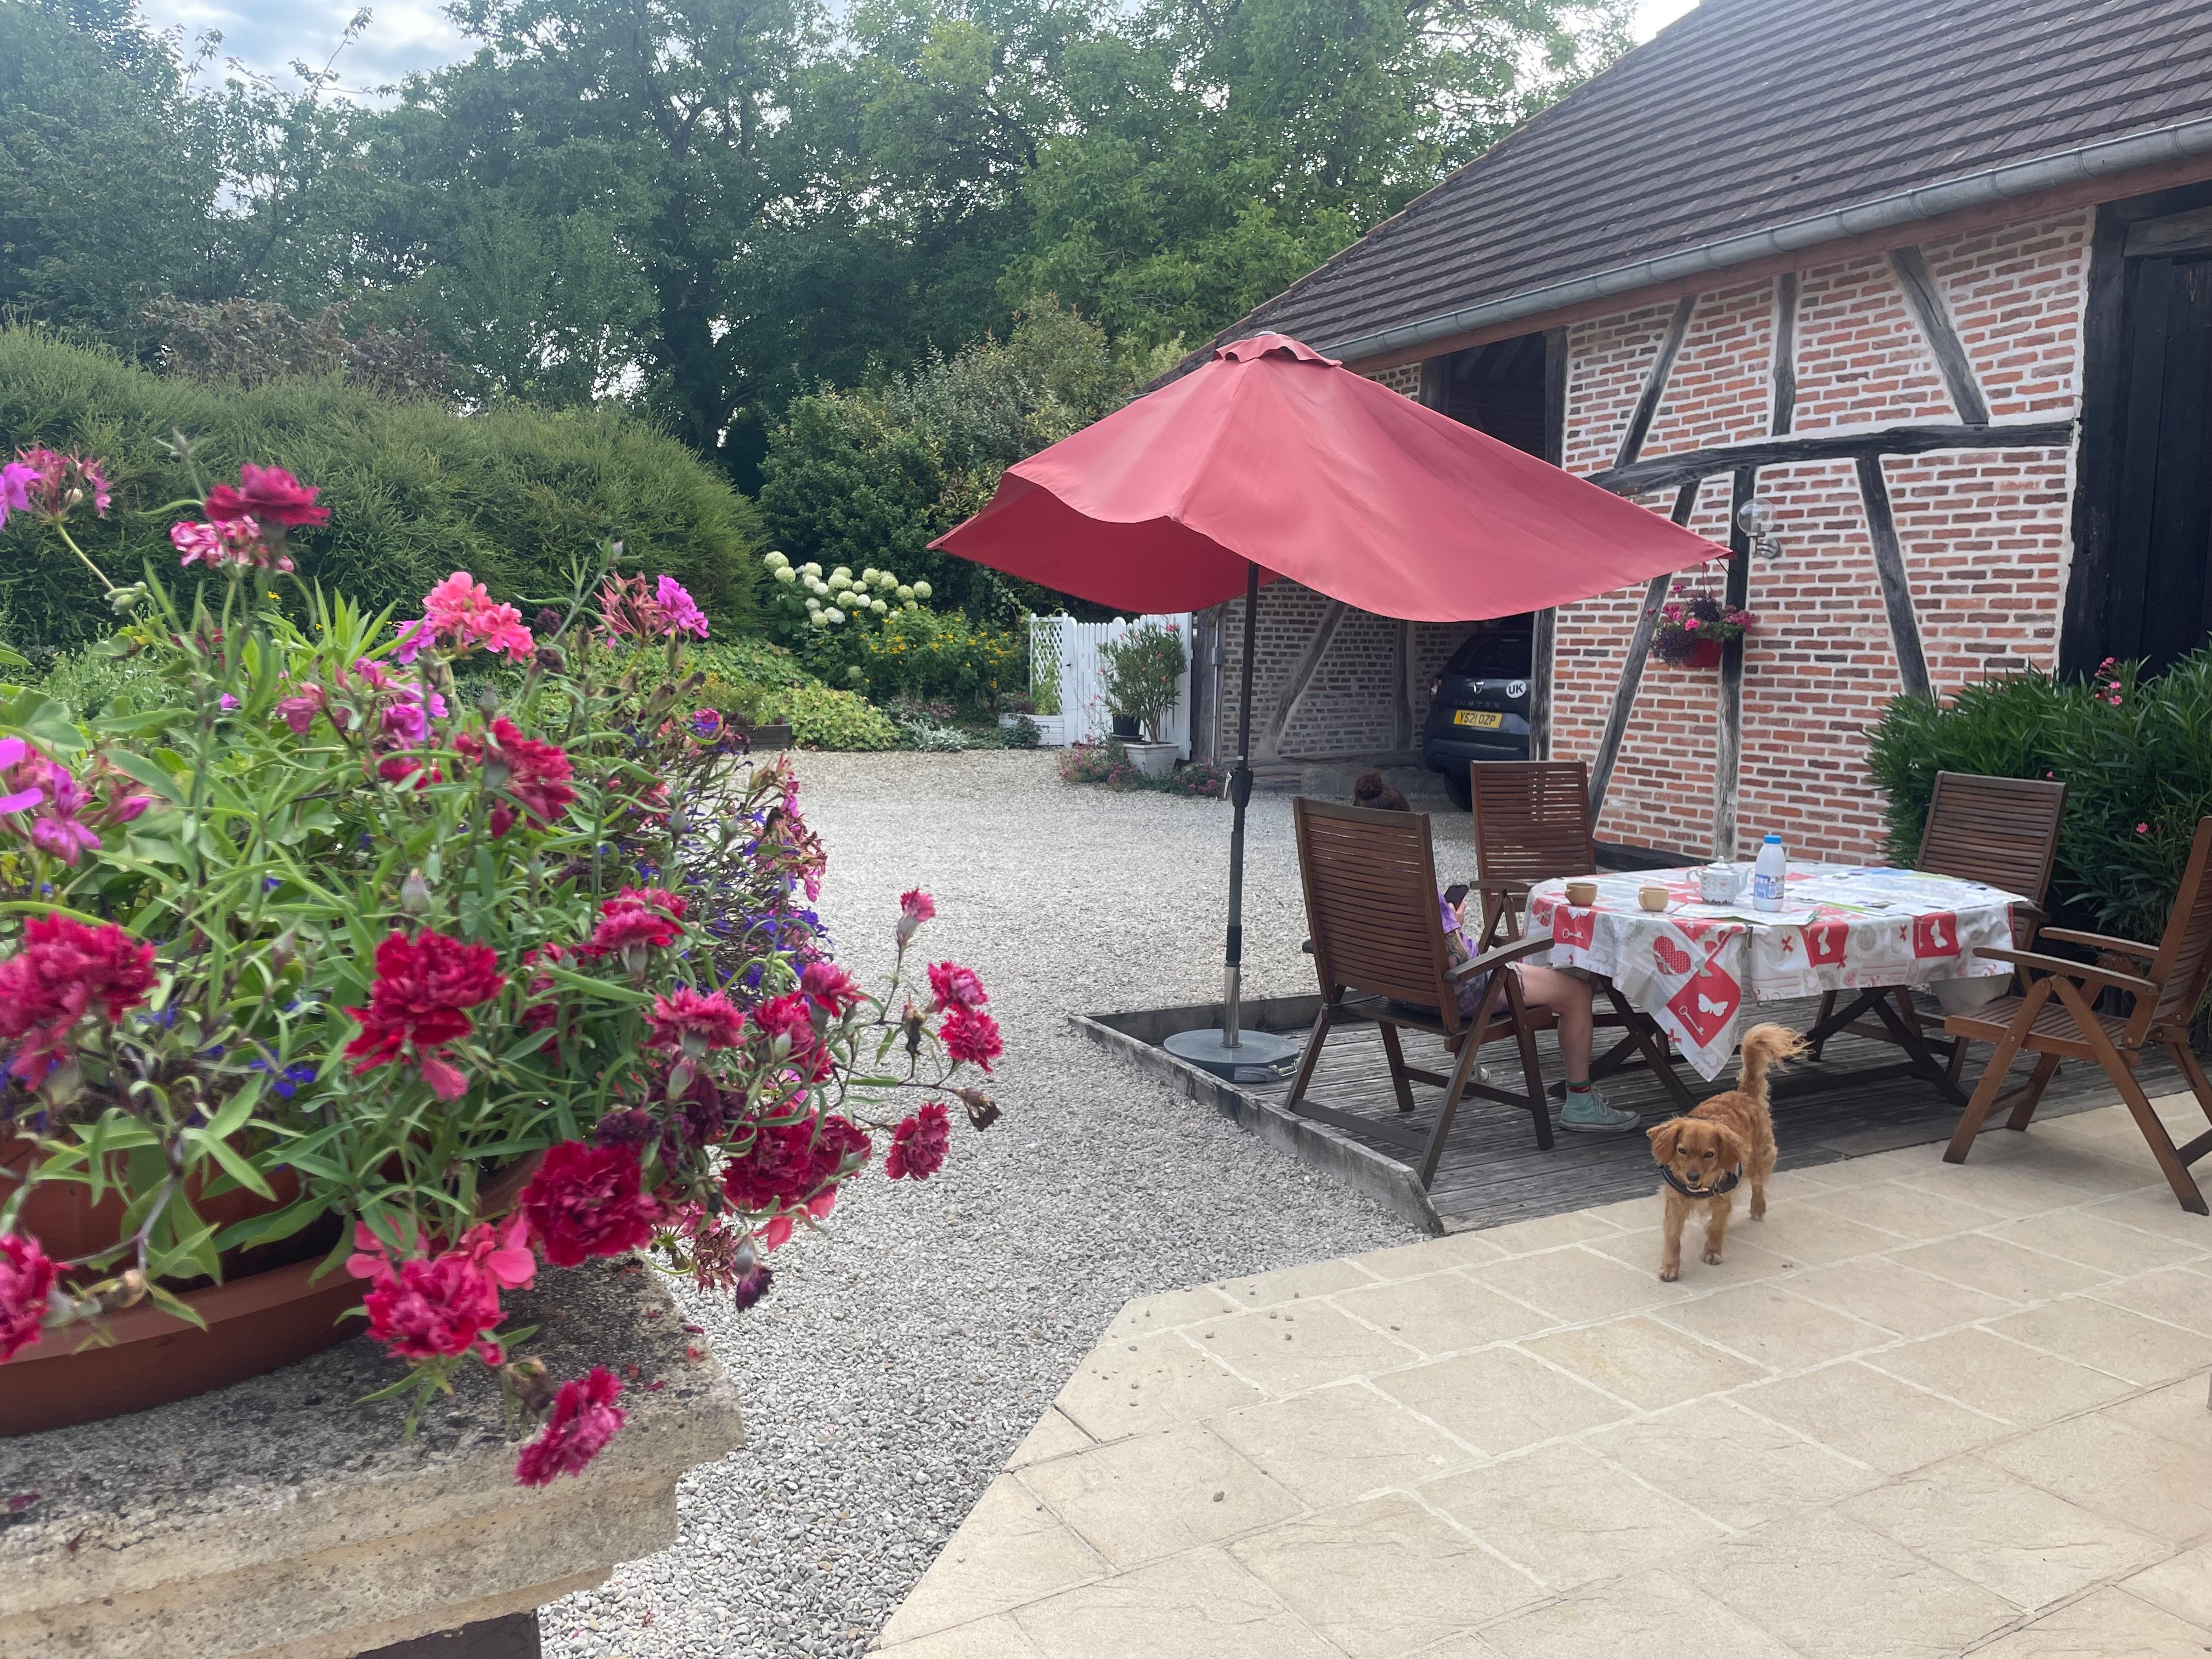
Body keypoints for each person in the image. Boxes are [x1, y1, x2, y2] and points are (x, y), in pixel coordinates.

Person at [1440, 884, 1639, 1135]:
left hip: (1413, 998)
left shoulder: (1390, 884)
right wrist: (1455, 924)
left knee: (1567, 980)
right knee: (1578, 993)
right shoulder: (1423, 887)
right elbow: (1454, 962)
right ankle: (1580, 1103)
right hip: (1467, 993)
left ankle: (1466, 1071)